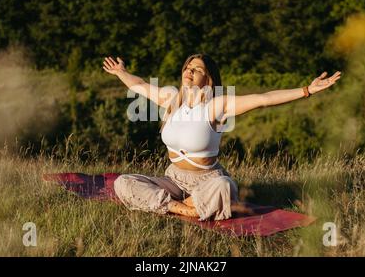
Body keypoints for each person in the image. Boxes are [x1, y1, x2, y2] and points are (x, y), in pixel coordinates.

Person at [102, 53, 341, 220]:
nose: (189, 71)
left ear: (208, 79)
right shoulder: (171, 98)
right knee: (123, 182)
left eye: (197, 69)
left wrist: (307, 90)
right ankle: (186, 209)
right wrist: (121, 72)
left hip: (207, 181)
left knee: (225, 187)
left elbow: (263, 98)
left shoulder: (217, 106)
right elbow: (140, 85)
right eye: (188, 67)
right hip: (174, 180)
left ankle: (170, 205)